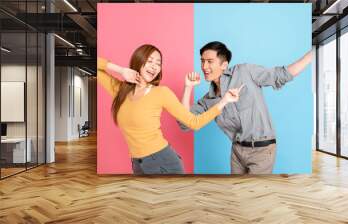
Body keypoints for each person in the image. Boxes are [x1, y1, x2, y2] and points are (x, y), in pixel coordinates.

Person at [97, 44, 243, 175]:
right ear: (138, 61)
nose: (154, 67)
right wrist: (121, 70)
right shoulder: (120, 90)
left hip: (162, 161)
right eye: (149, 61)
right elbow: (96, 65)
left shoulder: (161, 93)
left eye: (158, 63)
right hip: (137, 163)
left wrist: (224, 101)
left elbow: (194, 122)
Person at [179, 41, 312, 174]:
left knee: (254, 193)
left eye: (209, 61)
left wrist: (312, 55)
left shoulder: (244, 72)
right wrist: (188, 87)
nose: (204, 66)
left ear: (224, 65)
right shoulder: (208, 100)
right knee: (237, 193)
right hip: (237, 152)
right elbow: (185, 123)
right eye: (202, 61)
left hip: (262, 149)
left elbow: (281, 75)